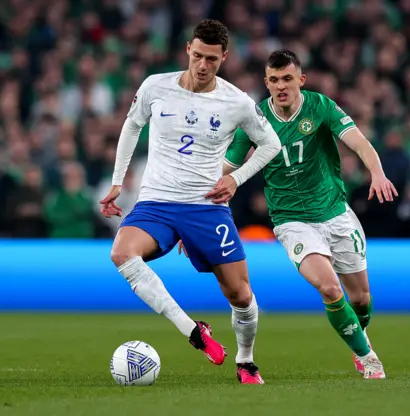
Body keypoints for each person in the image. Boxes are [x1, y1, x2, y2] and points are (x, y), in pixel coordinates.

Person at [99, 20, 281, 384]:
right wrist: (119, 181)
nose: (202, 65)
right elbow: (132, 125)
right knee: (121, 253)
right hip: (157, 203)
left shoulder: (237, 101)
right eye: (197, 55)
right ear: (187, 49)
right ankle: (193, 331)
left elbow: (271, 144)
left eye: (211, 59)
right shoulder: (156, 86)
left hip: (205, 207)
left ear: (224, 57)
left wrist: (235, 178)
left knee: (240, 294)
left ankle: (245, 360)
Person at [223, 50, 398, 379]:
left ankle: (359, 337)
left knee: (361, 299)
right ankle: (368, 357)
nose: (281, 86)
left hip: (335, 212)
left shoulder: (321, 107)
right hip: (292, 221)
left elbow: (359, 142)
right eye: (274, 80)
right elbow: (229, 166)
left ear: (301, 80)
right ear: (266, 83)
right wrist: (191, 202)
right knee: (331, 289)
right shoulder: (256, 119)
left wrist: (377, 172)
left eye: (287, 78)